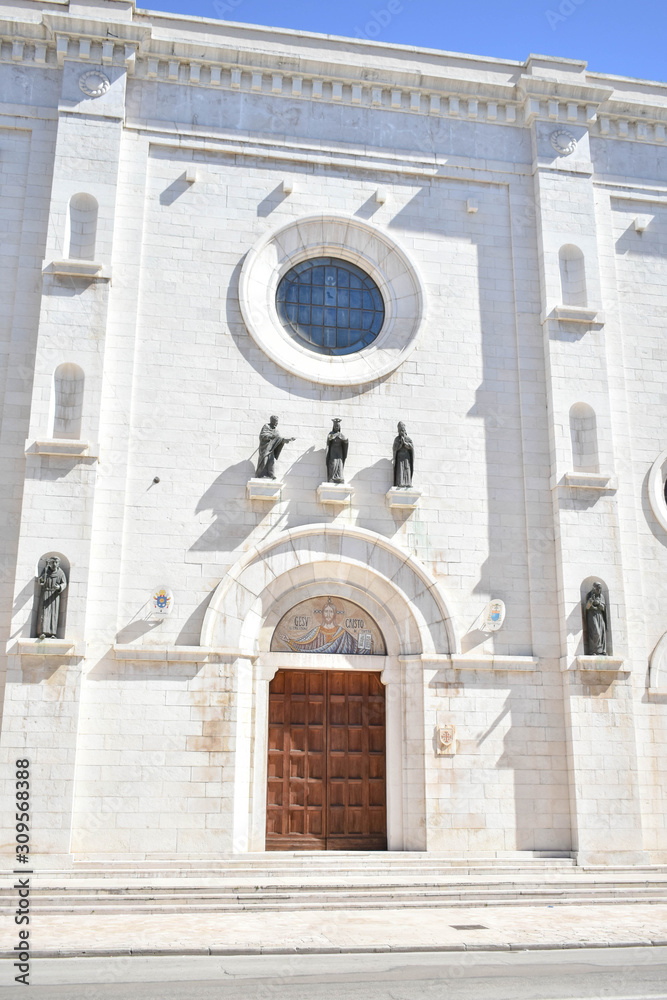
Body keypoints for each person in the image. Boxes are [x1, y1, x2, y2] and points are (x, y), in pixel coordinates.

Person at [280, 598, 358, 653]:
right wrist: (289, 641)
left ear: (334, 614)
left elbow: (356, 647)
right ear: (322, 614)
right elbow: (305, 644)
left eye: (331, 612)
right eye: (326, 612)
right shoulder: (316, 631)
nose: (328, 615)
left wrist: (368, 644)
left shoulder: (342, 633)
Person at [37, 556, 67, 638]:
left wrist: (59, 587)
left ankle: (53, 633)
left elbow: (64, 583)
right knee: (44, 613)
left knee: (53, 614)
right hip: (45, 593)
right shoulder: (46, 571)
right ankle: (42, 632)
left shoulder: (61, 573)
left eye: (56, 562)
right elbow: (40, 581)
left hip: (54, 596)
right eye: (52, 562)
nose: (54, 564)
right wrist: (43, 578)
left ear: (58, 563)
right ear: (49, 563)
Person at [584, 581, 607, 655]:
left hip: (600, 615)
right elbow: (587, 607)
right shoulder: (589, 595)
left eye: (600, 588)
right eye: (598, 588)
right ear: (594, 588)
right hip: (592, 615)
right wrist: (591, 600)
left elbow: (603, 608)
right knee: (595, 632)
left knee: (601, 633)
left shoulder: (601, 596)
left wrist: (598, 603)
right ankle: (593, 651)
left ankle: (600, 651)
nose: (599, 590)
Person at [326, 418, 348, 483]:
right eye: (335, 426)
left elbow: (345, 441)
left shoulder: (341, 435)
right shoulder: (331, 434)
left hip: (339, 451)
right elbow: (329, 440)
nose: (336, 427)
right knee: (333, 463)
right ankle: (332, 477)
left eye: (337, 426)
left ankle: (339, 477)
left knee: (339, 463)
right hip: (333, 450)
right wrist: (332, 437)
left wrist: (345, 441)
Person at [393, 421, 414, 487]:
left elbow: (411, 447)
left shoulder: (408, 439)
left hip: (406, 457)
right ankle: (400, 482)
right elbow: (395, 449)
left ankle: (408, 483)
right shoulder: (397, 439)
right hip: (400, 457)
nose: (402, 432)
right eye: (400, 430)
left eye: (403, 430)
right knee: (400, 470)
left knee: (406, 469)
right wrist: (400, 444)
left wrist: (405, 444)